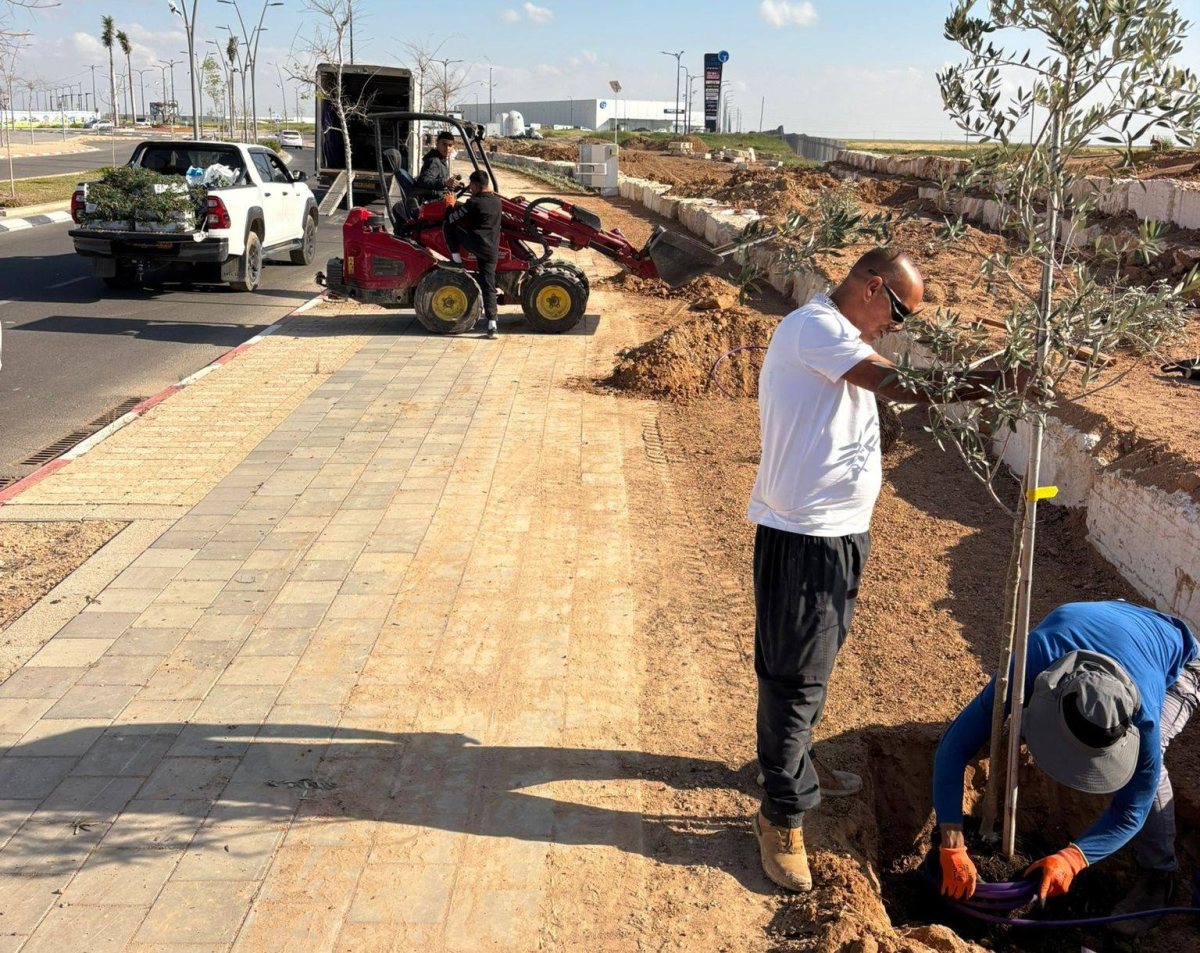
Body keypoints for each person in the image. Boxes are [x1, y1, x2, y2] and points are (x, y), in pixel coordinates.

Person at [748, 248, 1024, 893]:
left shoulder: (840, 333)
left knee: (812, 663)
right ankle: (780, 814)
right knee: (795, 674)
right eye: (898, 312)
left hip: (840, 535)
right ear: (872, 286)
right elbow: (903, 388)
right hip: (805, 537)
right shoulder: (815, 328)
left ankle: (789, 768)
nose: (895, 327)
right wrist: (999, 382)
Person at [934, 601, 1199, 929]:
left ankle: (1159, 872)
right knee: (992, 723)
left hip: (1178, 659)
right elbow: (954, 746)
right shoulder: (1033, 660)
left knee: (1153, 767)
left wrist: (1074, 857)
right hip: (1114, 622)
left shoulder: (1144, 720)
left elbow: (1133, 810)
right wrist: (952, 842)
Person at [442, 170, 502, 339]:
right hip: (491, 251)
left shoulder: (473, 202)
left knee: (448, 225)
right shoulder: (497, 202)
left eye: (471, 186)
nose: (470, 189)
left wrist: (449, 204)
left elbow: (452, 218)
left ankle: (456, 260)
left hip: (476, 244)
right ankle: (492, 325)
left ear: (475, 186)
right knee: (489, 286)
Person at [413, 129, 463, 202]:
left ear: (452, 147)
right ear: (437, 144)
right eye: (444, 144)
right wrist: (445, 182)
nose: (447, 148)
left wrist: (451, 185)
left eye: (450, 145)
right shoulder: (434, 161)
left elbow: (437, 181)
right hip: (433, 202)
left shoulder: (441, 159)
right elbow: (423, 181)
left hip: (438, 199)